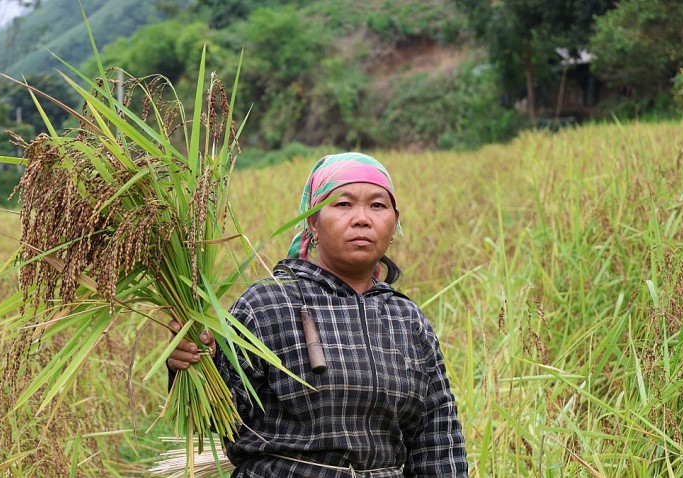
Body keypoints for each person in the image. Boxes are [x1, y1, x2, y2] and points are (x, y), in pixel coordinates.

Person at [167, 152, 468, 477]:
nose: (362, 218)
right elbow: (217, 416)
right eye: (343, 204)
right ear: (313, 222)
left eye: (377, 206)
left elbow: (438, 441)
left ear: (394, 222)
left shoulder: (408, 321)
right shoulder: (269, 304)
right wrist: (199, 361)